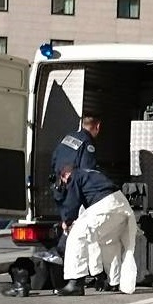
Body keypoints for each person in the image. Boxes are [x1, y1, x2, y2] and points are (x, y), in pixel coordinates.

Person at [55, 165, 138, 296]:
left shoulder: (74, 176)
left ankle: (76, 282)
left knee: (77, 235)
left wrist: (67, 221)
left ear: (65, 174)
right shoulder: (92, 173)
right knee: (109, 242)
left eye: (63, 181)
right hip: (121, 205)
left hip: (104, 205)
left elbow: (72, 202)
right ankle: (114, 282)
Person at [49, 115, 105, 286]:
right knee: (81, 234)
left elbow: (53, 161)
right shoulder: (87, 144)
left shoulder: (67, 138)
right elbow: (87, 174)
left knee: (69, 229)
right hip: (76, 192)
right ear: (98, 126)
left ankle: (67, 268)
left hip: (60, 188)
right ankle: (81, 275)